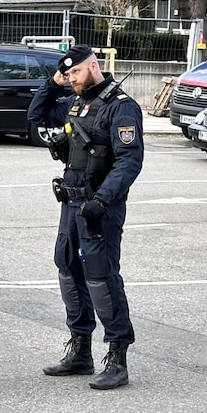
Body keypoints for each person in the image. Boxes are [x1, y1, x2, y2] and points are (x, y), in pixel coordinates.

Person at [27, 44, 144, 390]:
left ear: (93, 65)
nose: (72, 79)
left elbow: (129, 161)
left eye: (75, 72)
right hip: (71, 204)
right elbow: (36, 115)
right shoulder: (77, 103)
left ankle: (118, 358)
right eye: (68, 74)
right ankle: (80, 351)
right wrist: (55, 81)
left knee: (101, 278)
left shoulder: (121, 108)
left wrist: (103, 200)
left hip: (99, 209)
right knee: (68, 269)